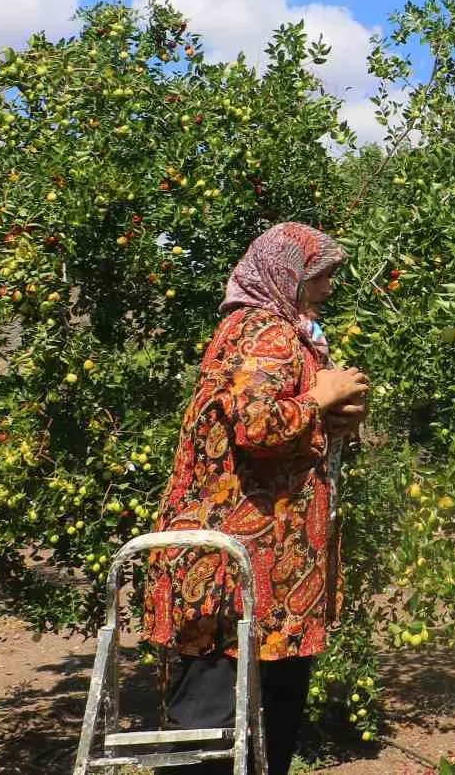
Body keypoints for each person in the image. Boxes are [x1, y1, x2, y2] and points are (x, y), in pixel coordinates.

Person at [144, 222, 368, 775]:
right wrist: (320, 397)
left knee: (264, 707)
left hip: (271, 570)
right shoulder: (262, 331)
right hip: (236, 567)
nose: (327, 288)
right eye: (319, 276)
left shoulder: (279, 333)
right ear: (285, 273)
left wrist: (337, 416)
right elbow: (257, 424)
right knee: (217, 709)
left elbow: (283, 428)